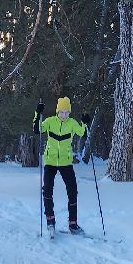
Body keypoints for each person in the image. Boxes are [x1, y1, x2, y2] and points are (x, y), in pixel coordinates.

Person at [32, 97, 89, 236]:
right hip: (50, 161)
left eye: (66, 112)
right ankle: (50, 221)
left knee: (72, 191)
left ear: (69, 112)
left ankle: (73, 224)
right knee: (47, 191)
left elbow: (83, 133)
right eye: (61, 112)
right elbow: (37, 130)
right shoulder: (50, 121)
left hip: (66, 163)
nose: (64, 115)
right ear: (57, 111)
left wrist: (85, 122)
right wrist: (37, 113)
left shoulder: (72, 123)